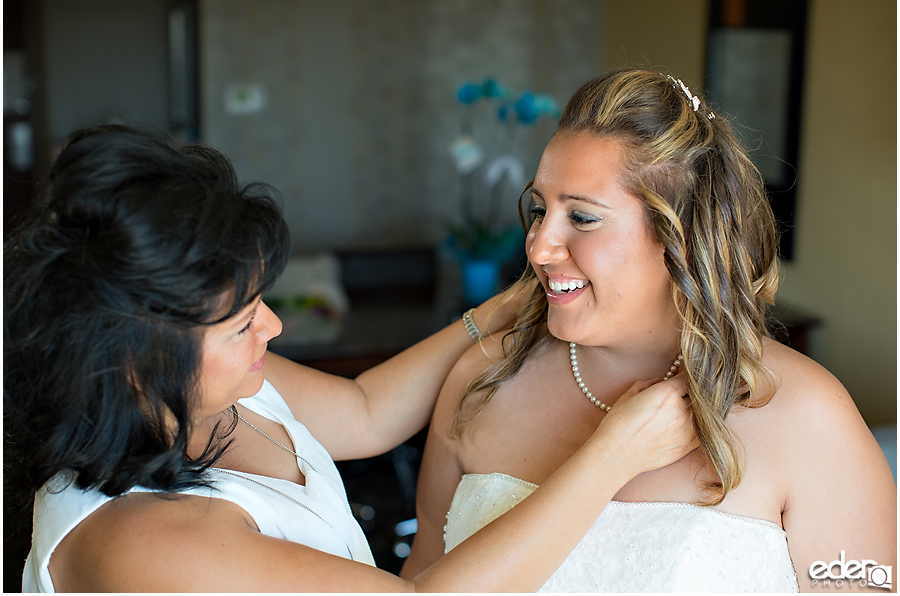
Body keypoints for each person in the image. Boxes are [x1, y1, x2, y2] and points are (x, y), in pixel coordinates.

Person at [3, 125, 698, 592]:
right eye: (243, 321)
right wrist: (613, 456)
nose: (273, 327)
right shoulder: (146, 544)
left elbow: (365, 411)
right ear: (133, 361)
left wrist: (503, 308)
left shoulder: (209, 388)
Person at [400, 69, 897, 592]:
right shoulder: (482, 381)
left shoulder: (807, 416)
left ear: (682, 235)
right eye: (540, 210)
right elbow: (420, 578)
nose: (539, 247)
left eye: (584, 218)